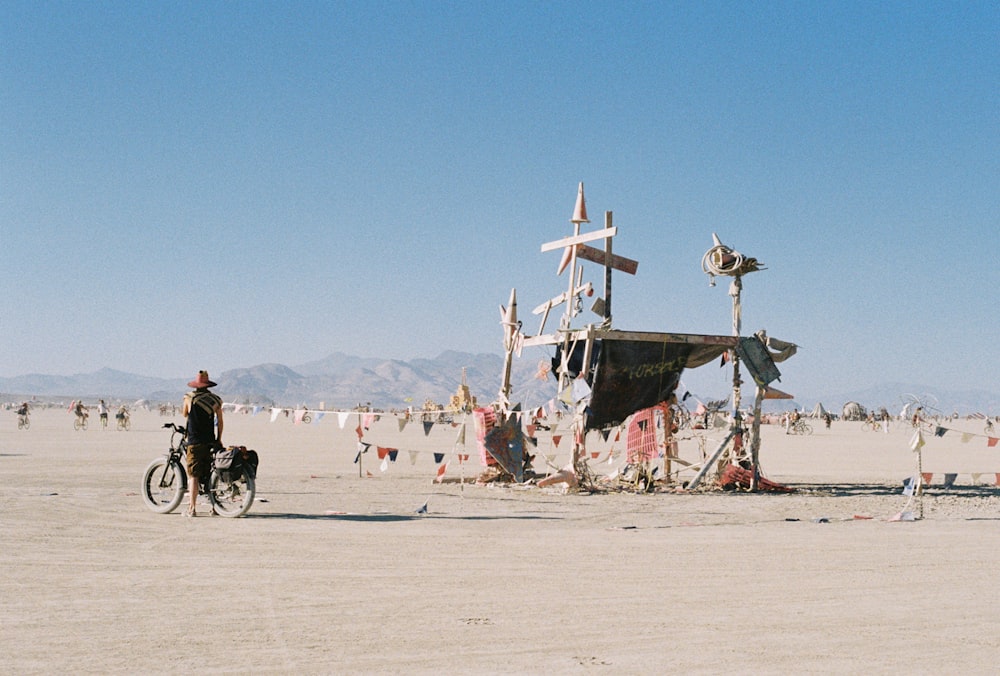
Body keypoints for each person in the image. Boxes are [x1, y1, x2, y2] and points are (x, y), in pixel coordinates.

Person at [181, 370, 224, 517]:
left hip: (194, 441)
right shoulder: (216, 400)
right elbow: (220, 422)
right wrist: (219, 439)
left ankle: (192, 509)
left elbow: (185, 414)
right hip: (210, 440)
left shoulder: (189, 397)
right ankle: (214, 507)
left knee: (194, 475)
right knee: (211, 472)